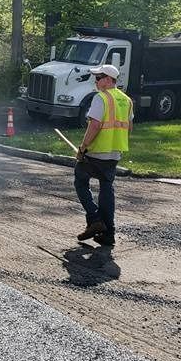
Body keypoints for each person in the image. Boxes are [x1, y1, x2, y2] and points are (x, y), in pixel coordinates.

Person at [74, 63, 133, 248]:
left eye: (99, 78)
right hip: (114, 153)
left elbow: (95, 125)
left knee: (80, 180)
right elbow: (129, 128)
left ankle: (94, 218)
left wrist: (83, 147)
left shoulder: (101, 98)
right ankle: (109, 234)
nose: (96, 81)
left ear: (109, 80)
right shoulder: (127, 100)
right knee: (107, 188)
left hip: (97, 151)